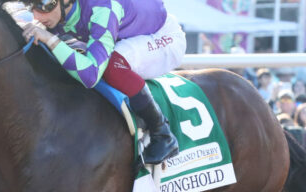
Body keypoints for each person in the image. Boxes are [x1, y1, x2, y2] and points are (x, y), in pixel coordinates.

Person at [20, 0, 186, 164]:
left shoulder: (103, 8)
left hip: (164, 37)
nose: (36, 15)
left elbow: (91, 75)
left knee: (111, 65)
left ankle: (162, 133)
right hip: (128, 34)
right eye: (31, 6)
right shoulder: (59, 13)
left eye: (44, 5)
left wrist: (50, 39)